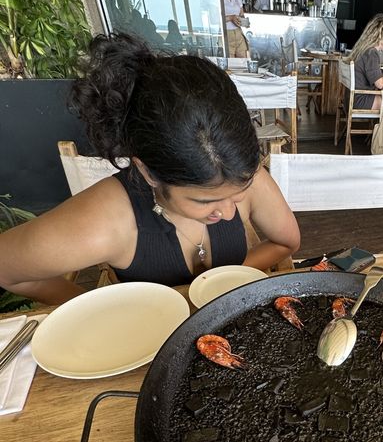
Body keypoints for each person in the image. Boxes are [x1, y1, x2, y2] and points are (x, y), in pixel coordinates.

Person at [0, 34, 300, 305]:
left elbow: (287, 241)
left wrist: (224, 281)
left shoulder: (238, 172)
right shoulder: (106, 219)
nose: (230, 213)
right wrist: (96, 309)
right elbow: (6, 268)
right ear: (148, 172)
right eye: (205, 201)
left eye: (238, 195)